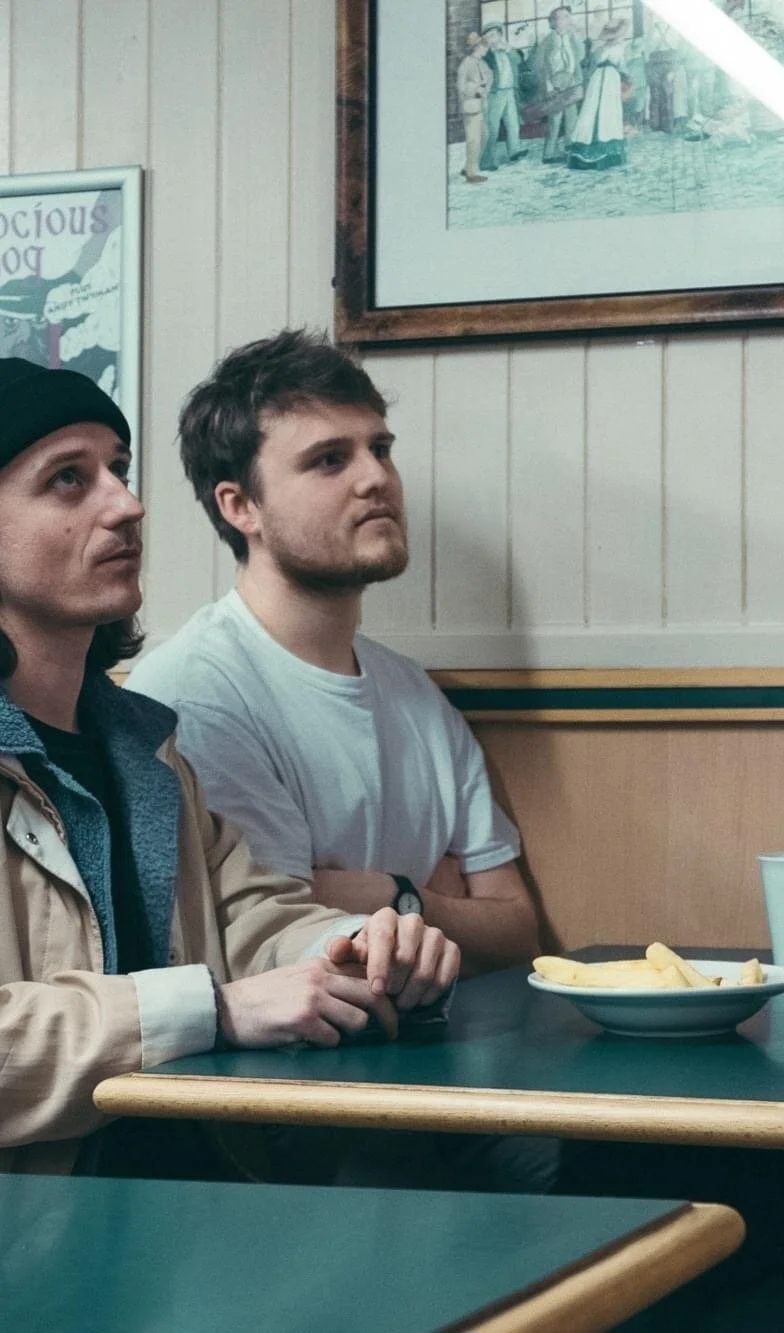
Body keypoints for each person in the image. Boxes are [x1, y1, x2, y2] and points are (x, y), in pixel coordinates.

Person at [0, 357, 457, 1177]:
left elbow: (246, 913)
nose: (127, 504)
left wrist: (356, 946)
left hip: (196, 1190)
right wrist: (209, 1008)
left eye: (119, 469)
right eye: (69, 479)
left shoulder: (141, 744)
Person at [127, 331, 540, 981]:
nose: (375, 477)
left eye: (380, 448)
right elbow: (280, 944)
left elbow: (517, 931)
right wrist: (440, 900)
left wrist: (391, 895)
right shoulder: (195, 693)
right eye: (328, 460)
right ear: (241, 506)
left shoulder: (411, 690)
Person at [567, 17, 629, 171]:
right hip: (599, 77)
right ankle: (586, 148)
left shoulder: (620, 46)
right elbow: (592, 62)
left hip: (611, 78)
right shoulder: (599, 45)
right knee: (591, 109)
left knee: (608, 111)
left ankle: (609, 150)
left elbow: (622, 65)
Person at [534, 6, 583, 163]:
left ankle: (570, 147)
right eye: (562, 17)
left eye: (568, 16)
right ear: (553, 22)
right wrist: (548, 87)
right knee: (555, 119)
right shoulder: (547, 42)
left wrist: (575, 35)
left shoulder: (572, 38)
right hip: (555, 82)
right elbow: (540, 67)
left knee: (572, 117)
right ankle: (548, 153)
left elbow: (580, 56)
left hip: (571, 80)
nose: (566, 20)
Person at [479, 24, 526, 172]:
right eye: (487, 37)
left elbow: (518, 60)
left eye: (493, 35)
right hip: (495, 93)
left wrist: (508, 49)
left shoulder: (508, 50)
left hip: (510, 91)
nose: (490, 39)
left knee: (512, 123)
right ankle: (487, 161)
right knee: (492, 127)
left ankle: (514, 151)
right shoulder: (485, 54)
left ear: (500, 35)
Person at [456, 31, 492, 185]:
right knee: (474, 139)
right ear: (477, 48)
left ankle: (467, 167)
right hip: (470, 106)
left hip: (481, 105)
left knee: (484, 135)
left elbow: (489, 77)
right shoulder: (466, 63)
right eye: (484, 47)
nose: (486, 49)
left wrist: (485, 87)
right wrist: (476, 89)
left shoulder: (482, 63)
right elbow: (461, 87)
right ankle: (471, 174)